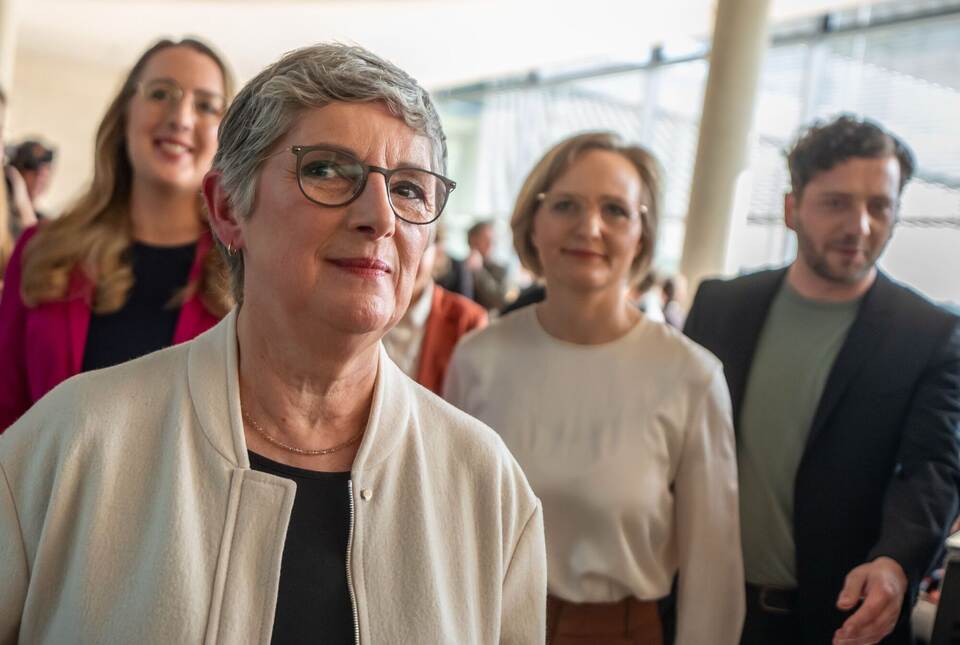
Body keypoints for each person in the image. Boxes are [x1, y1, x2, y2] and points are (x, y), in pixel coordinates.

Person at [0, 43, 546, 644]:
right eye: (327, 170)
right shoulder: (70, 444)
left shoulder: (484, 483)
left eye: (411, 189)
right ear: (229, 208)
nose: (380, 217)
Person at [445, 131, 744, 645]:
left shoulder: (691, 376)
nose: (589, 227)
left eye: (615, 210)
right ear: (532, 224)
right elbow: (444, 526)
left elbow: (713, 576)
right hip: (477, 625)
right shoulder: (478, 358)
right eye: (565, 205)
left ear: (643, 236)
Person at [683, 115, 960, 645]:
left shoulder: (929, 333)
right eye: (836, 203)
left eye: (879, 205)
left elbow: (934, 468)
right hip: (706, 607)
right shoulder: (720, 306)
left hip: (840, 620)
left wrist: (895, 562)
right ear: (792, 210)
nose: (860, 225)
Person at [0, 38, 234, 430]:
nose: (181, 117)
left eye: (206, 105)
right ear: (125, 112)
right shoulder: (41, 250)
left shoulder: (249, 274)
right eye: (161, 93)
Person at [383, 232, 487, 394]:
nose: (403, 261)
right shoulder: (358, 310)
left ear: (438, 253)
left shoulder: (467, 321)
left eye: (418, 249)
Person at [466, 219, 510, 310]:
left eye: (492, 240)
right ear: (473, 241)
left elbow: (500, 301)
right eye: (486, 239)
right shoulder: (459, 267)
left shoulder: (501, 269)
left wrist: (479, 271)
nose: (490, 244)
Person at [8, 139, 55, 220]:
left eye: (47, 169)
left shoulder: (43, 221)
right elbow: (28, 232)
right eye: (33, 169)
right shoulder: (5, 216)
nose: (41, 176)